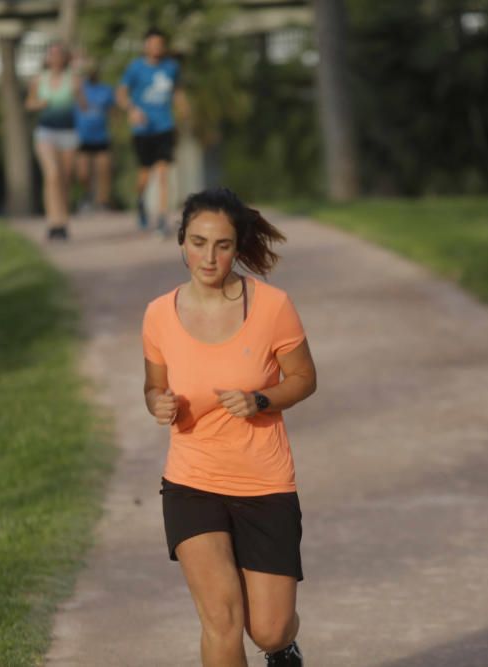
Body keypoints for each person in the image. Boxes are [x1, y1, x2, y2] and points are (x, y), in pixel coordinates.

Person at [141, 188, 316, 666]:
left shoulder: (273, 307)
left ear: (237, 247)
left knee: (268, 627)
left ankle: (284, 649)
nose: (208, 257)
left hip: (264, 481)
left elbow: (304, 379)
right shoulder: (159, 314)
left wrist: (261, 399)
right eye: (197, 242)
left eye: (221, 245)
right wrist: (159, 404)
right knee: (221, 618)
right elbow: (153, 386)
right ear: (181, 242)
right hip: (192, 482)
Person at [117, 27, 188, 235]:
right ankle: (140, 201)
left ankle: (161, 219)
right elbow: (121, 94)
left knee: (163, 173)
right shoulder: (135, 68)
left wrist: (183, 108)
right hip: (143, 128)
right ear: (146, 45)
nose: (157, 48)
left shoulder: (171, 67)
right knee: (144, 176)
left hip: (164, 126)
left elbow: (177, 91)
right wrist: (132, 110)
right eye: (153, 43)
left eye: (160, 44)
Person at [25, 42, 83, 240]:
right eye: (52, 54)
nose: (56, 58)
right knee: (52, 175)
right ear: (47, 58)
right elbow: (29, 104)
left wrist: (79, 94)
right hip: (46, 132)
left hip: (68, 133)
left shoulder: (73, 79)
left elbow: (83, 105)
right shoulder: (38, 80)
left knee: (65, 179)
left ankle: (63, 221)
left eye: (59, 54)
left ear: (64, 58)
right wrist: (39, 103)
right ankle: (52, 221)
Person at [74, 59, 115, 211]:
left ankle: (103, 201)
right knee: (83, 173)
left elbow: (112, 111)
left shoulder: (106, 90)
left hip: (101, 137)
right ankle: (88, 195)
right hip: (83, 137)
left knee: (103, 171)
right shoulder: (79, 89)